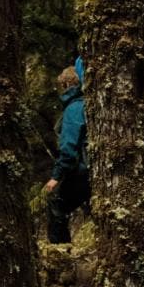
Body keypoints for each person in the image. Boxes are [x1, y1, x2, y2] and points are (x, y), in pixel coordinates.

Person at [44, 66, 90, 244]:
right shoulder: (87, 104)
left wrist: (56, 176)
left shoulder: (74, 108)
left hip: (84, 170)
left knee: (55, 201)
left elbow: (69, 148)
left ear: (67, 85)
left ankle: (61, 253)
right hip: (91, 168)